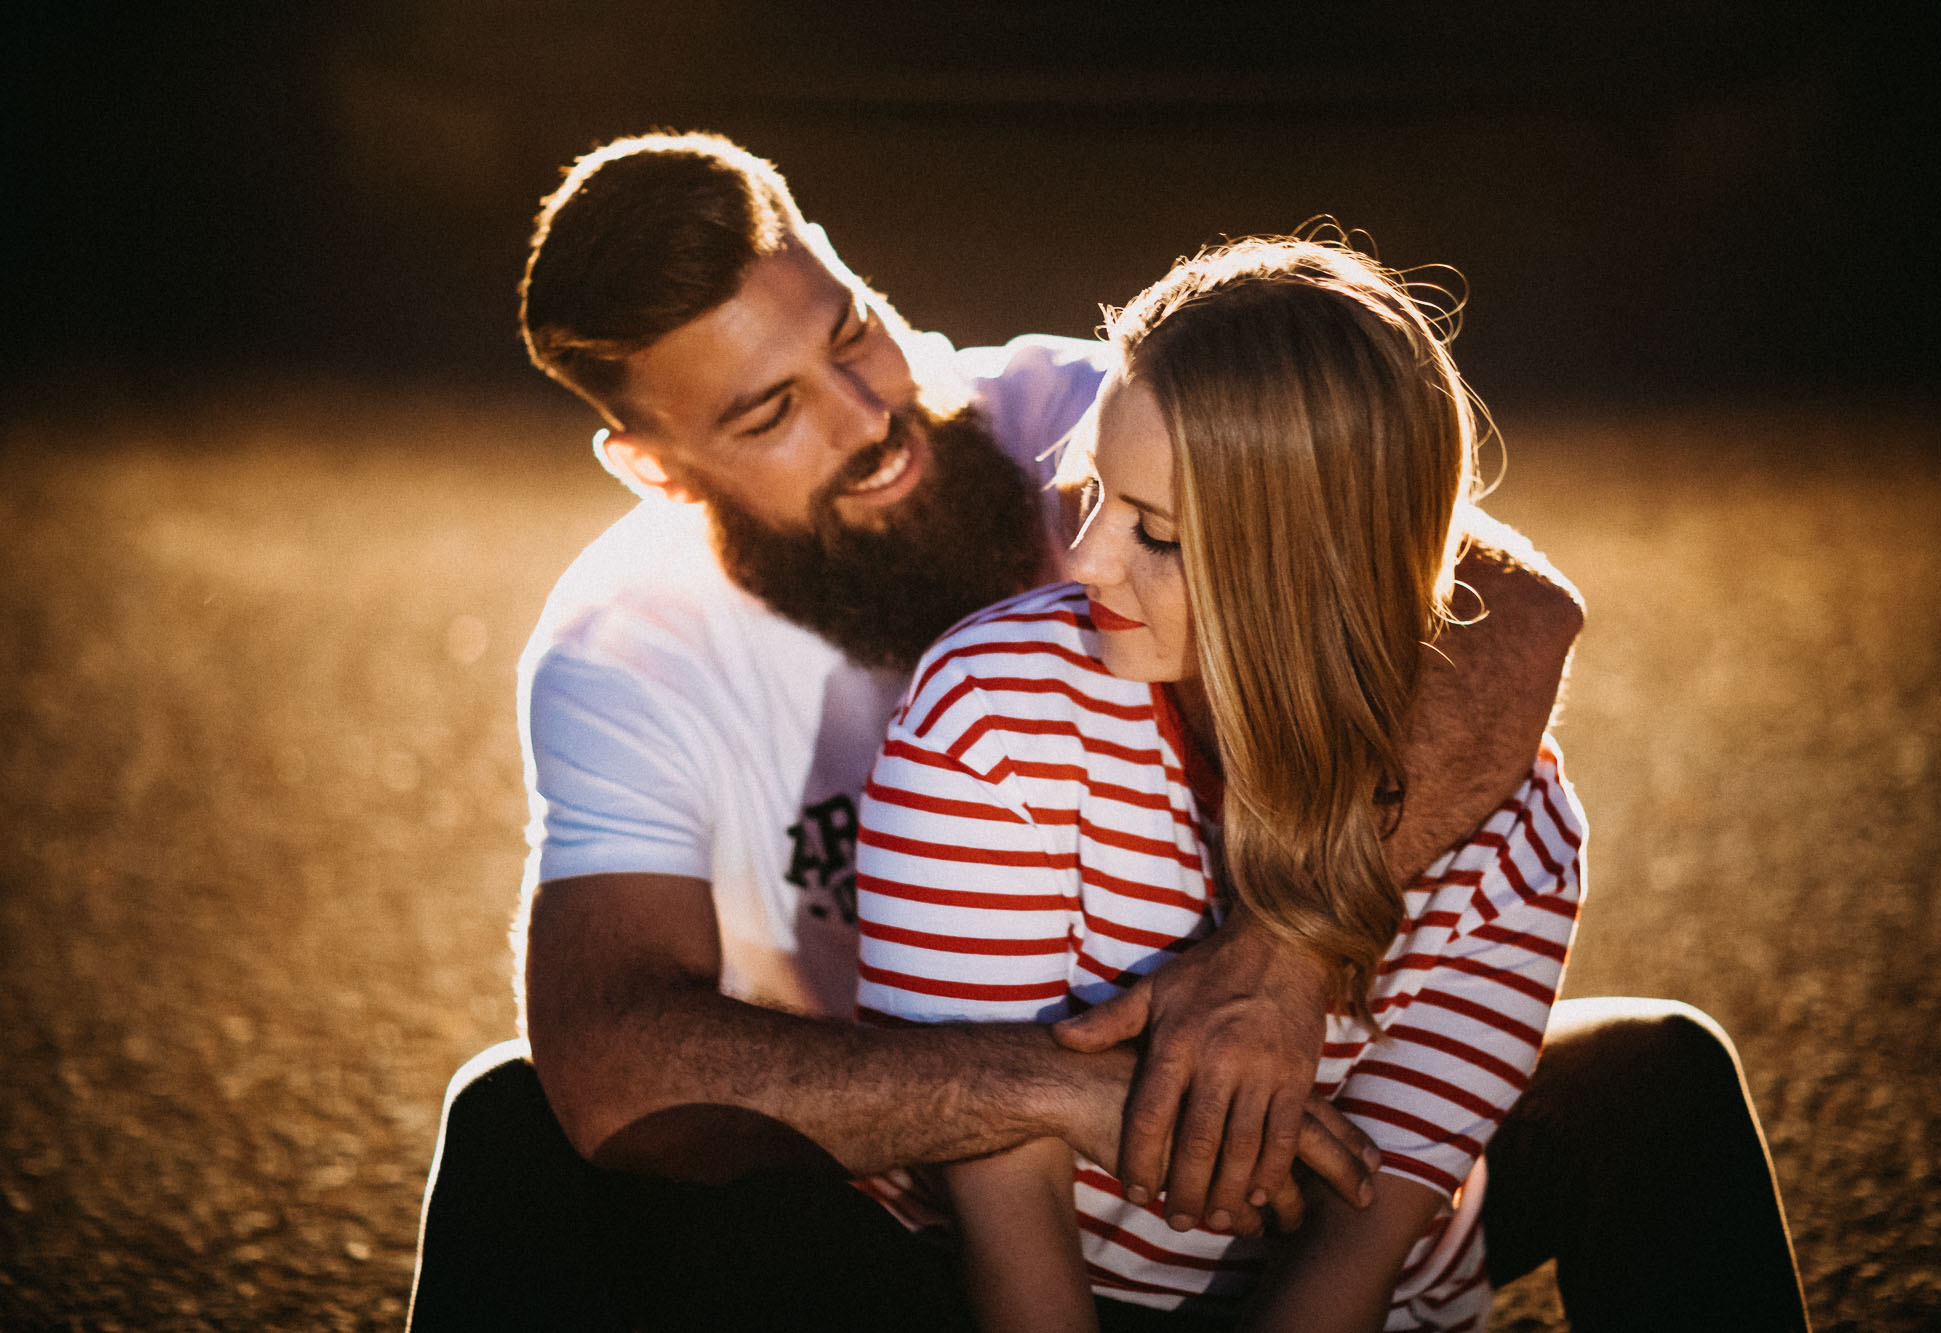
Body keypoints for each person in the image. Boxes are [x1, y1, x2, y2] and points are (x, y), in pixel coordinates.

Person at [406, 132, 1808, 1331]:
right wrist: (1069, 1095)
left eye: (852, 331)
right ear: (653, 464)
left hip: (1299, 1126)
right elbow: (610, 1061)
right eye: (772, 413)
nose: (871, 414)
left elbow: (1508, 612)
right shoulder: (624, 649)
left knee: (1659, 1081)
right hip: (940, 1206)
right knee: (517, 1131)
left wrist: (1281, 952)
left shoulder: (1105, 411)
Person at [857, 235, 1576, 1331]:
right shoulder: (990, 708)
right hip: (1014, 1291)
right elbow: (1001, 1194)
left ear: (1326, 566)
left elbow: (1360, 1243)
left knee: (1673, 1079)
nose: (1086, 558)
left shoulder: (1510, 830)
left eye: (1156, 533)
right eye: (1091, 490)